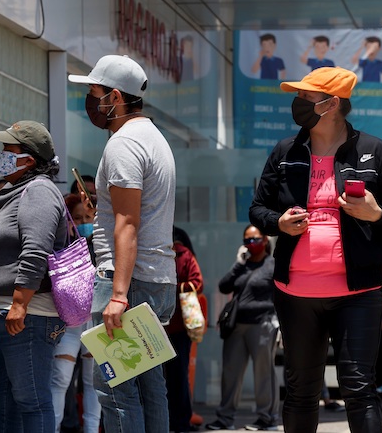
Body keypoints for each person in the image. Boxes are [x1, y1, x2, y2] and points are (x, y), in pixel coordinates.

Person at [249, 66, 382, 432]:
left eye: (305, 97)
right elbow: (258, 208)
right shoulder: (285, 151)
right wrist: (278, 222)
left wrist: (376, 213)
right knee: (301, 390)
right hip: (295, 293)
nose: (297, 104)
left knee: (359, 389)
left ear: (332, 104)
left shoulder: (373, 150)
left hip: (359, 291)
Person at [68, 54, 177, 432]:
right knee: (150, 388)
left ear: (115, 96)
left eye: (94, 92)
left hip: (128, 283)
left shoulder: (123, 144)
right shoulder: (153, 138)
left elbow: (128, 223)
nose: (90, 101)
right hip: (155, 278)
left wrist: (117, 294)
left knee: (116, 389)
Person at [0, 120, 67, 432]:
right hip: (1, 317)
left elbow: (35, 251)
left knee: (31, 402)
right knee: (5, 406)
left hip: (27, 318)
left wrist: (20, 304)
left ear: (30, 159)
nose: (2, 155)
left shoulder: (38, 192)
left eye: (9, 150)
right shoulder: (11, 193)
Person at [206, 225, 279, 431]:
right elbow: (223, 286)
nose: (251, 244)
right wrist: (239, 263)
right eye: (247, 240)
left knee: (264, 373)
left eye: (255, 239)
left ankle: (267, 419)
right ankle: (225, 418)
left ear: (265, 240)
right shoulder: (242, 265)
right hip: (237, 325)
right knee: (231, 373)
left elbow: (284, 294)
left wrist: (280, 324)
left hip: (263, 324)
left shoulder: (273, 265)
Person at [51, 193, 101, 433]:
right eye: (77, 217)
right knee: (60, 379)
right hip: (69, 321)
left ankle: (91, 429)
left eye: (88, 217)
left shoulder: (104, 243)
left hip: (96, 320)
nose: (83, 222)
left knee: (94, 382)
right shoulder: (60, 241)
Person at [164, 227, 204, 433]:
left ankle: (180, 423)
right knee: (163, 378)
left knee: (178, 377)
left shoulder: (183, 254)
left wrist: (175, 287)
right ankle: (168, 422)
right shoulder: (154, 254)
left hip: (178, 326)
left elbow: (198, 282)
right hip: (159, 326)